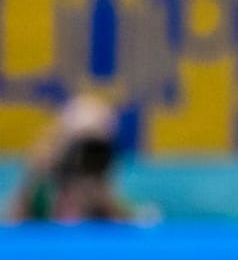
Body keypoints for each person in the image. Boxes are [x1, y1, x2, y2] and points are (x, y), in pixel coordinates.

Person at [4, 96, 138, 224]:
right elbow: (13, 228)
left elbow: (126, 231)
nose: (86, 157)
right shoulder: (43, 182)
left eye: (95, 148)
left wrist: (102, 198)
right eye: (79, 145)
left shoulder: (108, 181)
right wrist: (36, 179)